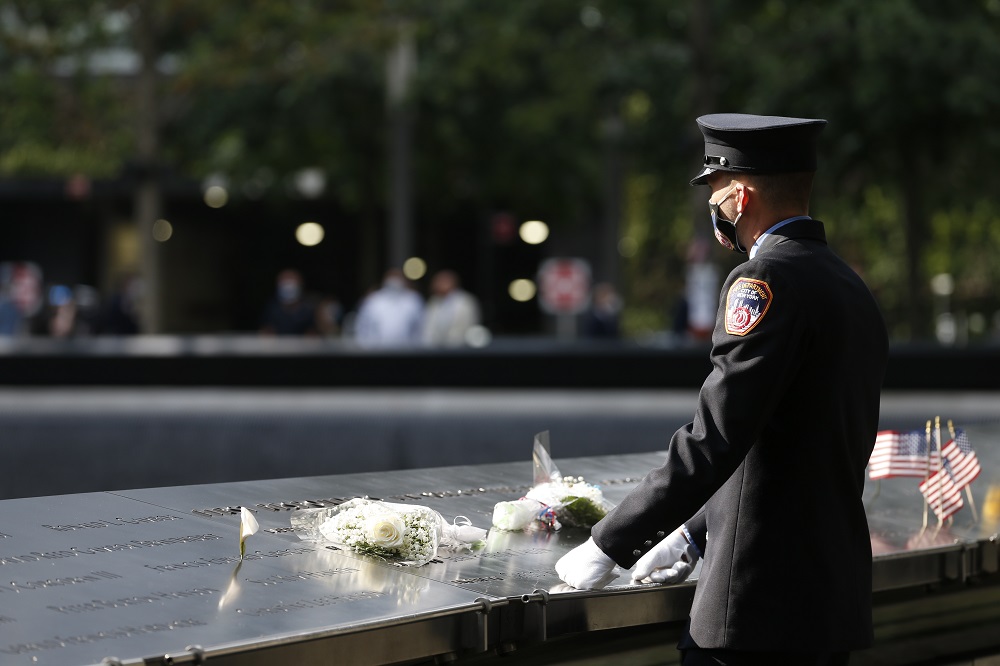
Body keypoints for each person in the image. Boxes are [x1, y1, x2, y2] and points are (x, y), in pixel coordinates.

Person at [555, 114, 889, 665]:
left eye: (713, 190)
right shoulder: (849, 285)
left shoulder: (764, 281)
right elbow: (789, 442)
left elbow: (717, 435)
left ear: (739, 194)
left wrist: (609, 541)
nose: (712, 206)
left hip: (754, 612)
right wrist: (692, 532)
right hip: (825, 606)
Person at [353, 268, 424, 347]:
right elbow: (362, 326)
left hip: (406, 351)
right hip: (376, 351)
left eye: (397, 277)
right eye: (391, 277)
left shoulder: (413, 299)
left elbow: (420, 328)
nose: (394, 281)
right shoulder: (373, 299)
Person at [421, 269, 480, 347]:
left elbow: (472, 326)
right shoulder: (433, 302)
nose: (436, 284)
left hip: (461, 349)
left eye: (441, 281)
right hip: (436, 349)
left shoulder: (466, 301)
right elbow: (428, 329)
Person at [259, 269, 316, 336]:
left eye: (292, 280)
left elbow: (314, 334)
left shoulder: (310, 308)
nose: (288, 285)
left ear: (301, 284)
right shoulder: (271, 309)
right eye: (284, 281)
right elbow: (265, 331)